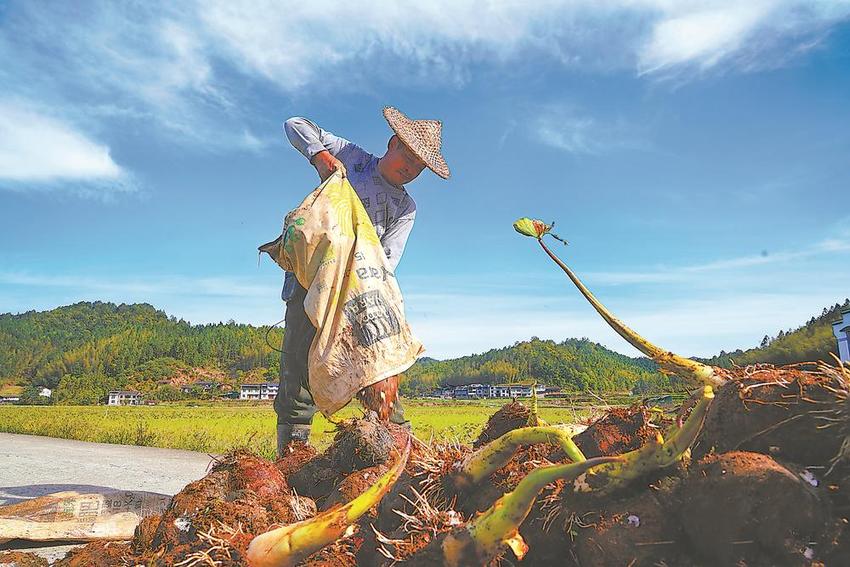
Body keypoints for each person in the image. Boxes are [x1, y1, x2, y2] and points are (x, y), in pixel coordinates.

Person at [276, 107, 450, 453]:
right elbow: (295, 124)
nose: (411, 169)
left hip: (362, 295)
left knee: (378, 366)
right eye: (408, 156)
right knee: (297, 366)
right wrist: (321, 156)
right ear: (392, 144)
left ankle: (394, 446)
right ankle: (292, 454)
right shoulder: (352, 159)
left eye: (419, 167)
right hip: (313, 282)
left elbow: (388, 260)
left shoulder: (405, 206)